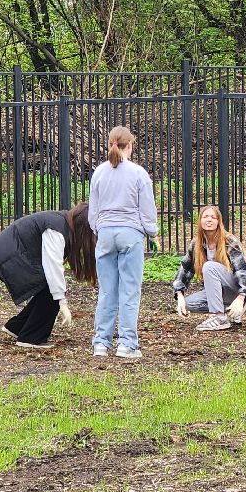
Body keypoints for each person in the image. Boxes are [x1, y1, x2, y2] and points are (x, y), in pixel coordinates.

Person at [0, 202, 97, 350]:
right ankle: (32, 338)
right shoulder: (56, 229)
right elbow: (53, 266)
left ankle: (17, 327)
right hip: (6, 261)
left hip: (7, 259)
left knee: (48, 287)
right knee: (52, 291)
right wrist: (62, 302)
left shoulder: (61, 222)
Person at [88, 126, 159, 360]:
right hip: (130, 233)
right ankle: (127, 344)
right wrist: (152, 233)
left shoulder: (99, 172)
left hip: (106, 233)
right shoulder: (138, 173)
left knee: (107, 292)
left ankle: (101, 343)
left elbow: (93, 211)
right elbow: (146, 208)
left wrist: (99, 229)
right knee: (129, 291)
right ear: (129, 145)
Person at [172, 205, 246, 331]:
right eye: (205, 216)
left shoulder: (228, 241)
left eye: (213, 217)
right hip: (222, 291)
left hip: (242, 287)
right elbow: (185, 270)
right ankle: (231, 312)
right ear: (200, 221)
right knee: (188, 303)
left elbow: (243, 272)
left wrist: (241, 297)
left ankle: (219, 317)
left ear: (219, 221)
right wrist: (179, 294)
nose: (209, 220)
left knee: (210, 267)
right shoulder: (196, 244)